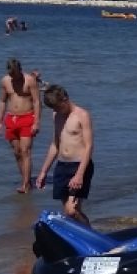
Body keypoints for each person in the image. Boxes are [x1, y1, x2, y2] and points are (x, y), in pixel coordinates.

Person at [35, 85, 94, 226]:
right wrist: (43, 171)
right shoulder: (56, 115)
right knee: (71, 212)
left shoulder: (82, 115)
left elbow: (89, 147)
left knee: (71, 210)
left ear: (65, 99)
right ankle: (80, 237)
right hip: (62, 166)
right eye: (53, 109)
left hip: (79, 165)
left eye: (57, 107)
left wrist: (79, 174)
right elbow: (55, 144)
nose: (55, 111)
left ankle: (91, 235)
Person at [0, 58, 41, 194]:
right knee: (17, 153)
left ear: (20, 70)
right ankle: (25, 180)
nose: (13, 77)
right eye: (11, 74)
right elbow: (2, 101)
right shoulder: (5, 81)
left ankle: (26, 185)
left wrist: (36, 122)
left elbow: (37, 102)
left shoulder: (29, 80)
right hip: (11, 119)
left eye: (15, 74)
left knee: (25, 151)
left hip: (27, 117)